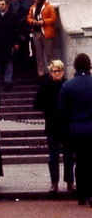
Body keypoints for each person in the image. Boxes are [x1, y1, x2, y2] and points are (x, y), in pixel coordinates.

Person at [58, 53, 92, 206]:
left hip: (75, 128)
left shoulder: (68, 85)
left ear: (75, 67)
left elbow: (62, 109)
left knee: (80, 161)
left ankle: (81, 194)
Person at [34, 60, 73, 193]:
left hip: (66, 125)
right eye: (54, 71)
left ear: (62, 71)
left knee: (69, 155)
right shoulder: (45, 86)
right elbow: (36, 103)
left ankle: (70, 182)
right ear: (51, 72)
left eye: (59, 71)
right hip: (52, 125)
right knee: (53, 156)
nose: (57, 74)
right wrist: (49, 107)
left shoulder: (67, 84)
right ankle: (54, 182)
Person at [27, 0, 57, 78]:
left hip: (46, 32)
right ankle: (41, 72)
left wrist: (43, 22)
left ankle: (52, 72)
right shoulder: (33, 7)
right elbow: (28, 17)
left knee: (49, 53)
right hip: (36, 32)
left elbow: (53, 18)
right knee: (38, 54)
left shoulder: (49, 7)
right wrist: (33, 21)